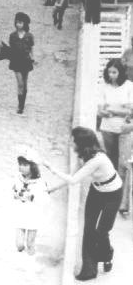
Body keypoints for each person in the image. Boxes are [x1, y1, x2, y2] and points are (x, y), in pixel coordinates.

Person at [42, 127, 126, 280]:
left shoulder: (97, 159)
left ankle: (107, 256)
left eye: (73, 139)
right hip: (97, 191)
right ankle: (89, 270)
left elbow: (74, 181)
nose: (70, 141)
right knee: (88, 229)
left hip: (113, 194)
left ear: (81, 142)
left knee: (101, 231)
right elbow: (72, 176)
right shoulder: (83, 156)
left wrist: (51, 169)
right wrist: (52, 189)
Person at [97, 59, 133, 174]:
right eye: (109, 72)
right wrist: (118, 109)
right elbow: (100, 111)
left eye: (114, 72)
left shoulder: (129, 86)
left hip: (124, 129)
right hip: (107, 128)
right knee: (110, 159)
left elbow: (130, 111)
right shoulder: (104, 86)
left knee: (123, 162)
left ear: (121, 72)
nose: (111, 75)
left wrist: (112, 110)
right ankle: (113, 187)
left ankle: (123, 188)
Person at [12, 148, 49, 256]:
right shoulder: (18, 178)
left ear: (32, 166)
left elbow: (45, 200)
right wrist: (15, 193)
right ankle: (20, 256)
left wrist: (33, 197)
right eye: (20, 164)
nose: (21, 167)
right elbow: (14, 189)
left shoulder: (40, 183)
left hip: (33, 216)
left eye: (25, 165)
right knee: (19, 244)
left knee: (30, 243)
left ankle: (31, 262)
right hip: (20, 214)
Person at [1, 12, 35, 114]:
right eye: (17, 22)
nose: (18, 25)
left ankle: (22, 103)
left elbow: (31, 49)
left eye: (20, 23)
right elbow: (11, 49)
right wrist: (3, 48)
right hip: (16, 61)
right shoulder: (12, 36)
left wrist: (33, 58)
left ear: (25, 24)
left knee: (24, 84)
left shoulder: (29, 36)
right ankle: (20, 106)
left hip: (26, 61)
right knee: (20, 83)